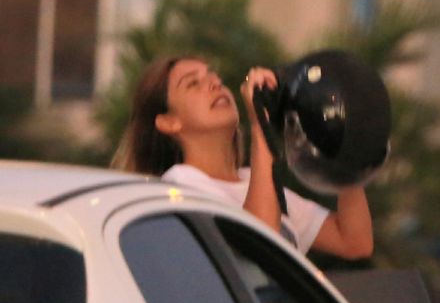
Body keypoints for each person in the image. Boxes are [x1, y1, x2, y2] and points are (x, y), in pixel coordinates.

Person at [113, 55, 374, 259]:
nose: (215, 83)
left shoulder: (254, 181)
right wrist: (261, 123)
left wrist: (343, 144)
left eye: (213, 76)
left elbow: (354, 242)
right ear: (169, 122)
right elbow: (259, 248)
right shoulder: (178, 187)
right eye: (194, 83)